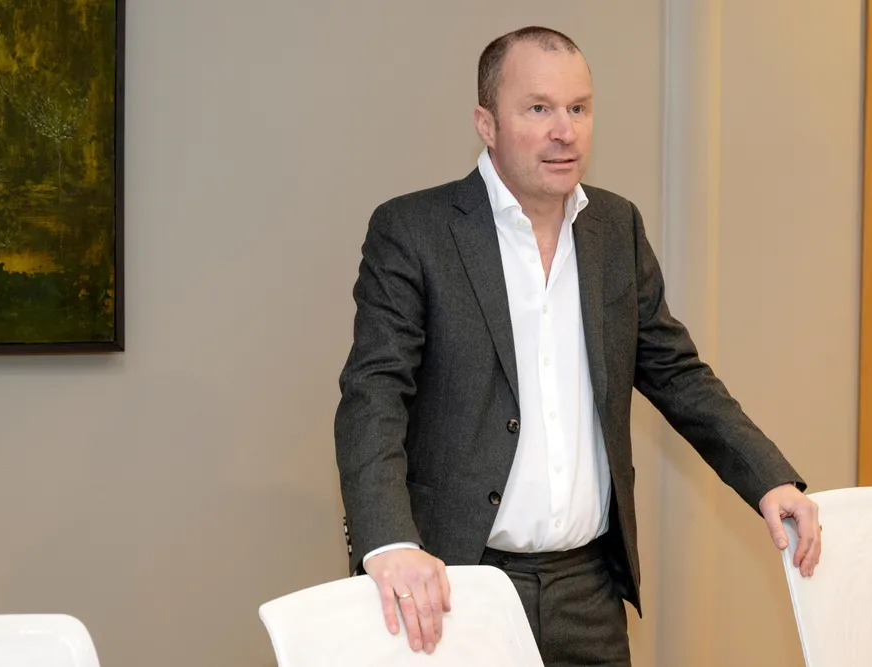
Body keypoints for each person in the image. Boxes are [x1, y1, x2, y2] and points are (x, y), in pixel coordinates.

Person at [334, 25, 821, 667]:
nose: (564, 131)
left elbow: (677, 373)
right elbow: (373, 395)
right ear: (486, 124)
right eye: (538, 108)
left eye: (579, 108)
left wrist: (769, 479)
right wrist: (389, 542)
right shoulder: (413, 230)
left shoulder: (615, 228)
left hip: (589, 591)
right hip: (455, 584)